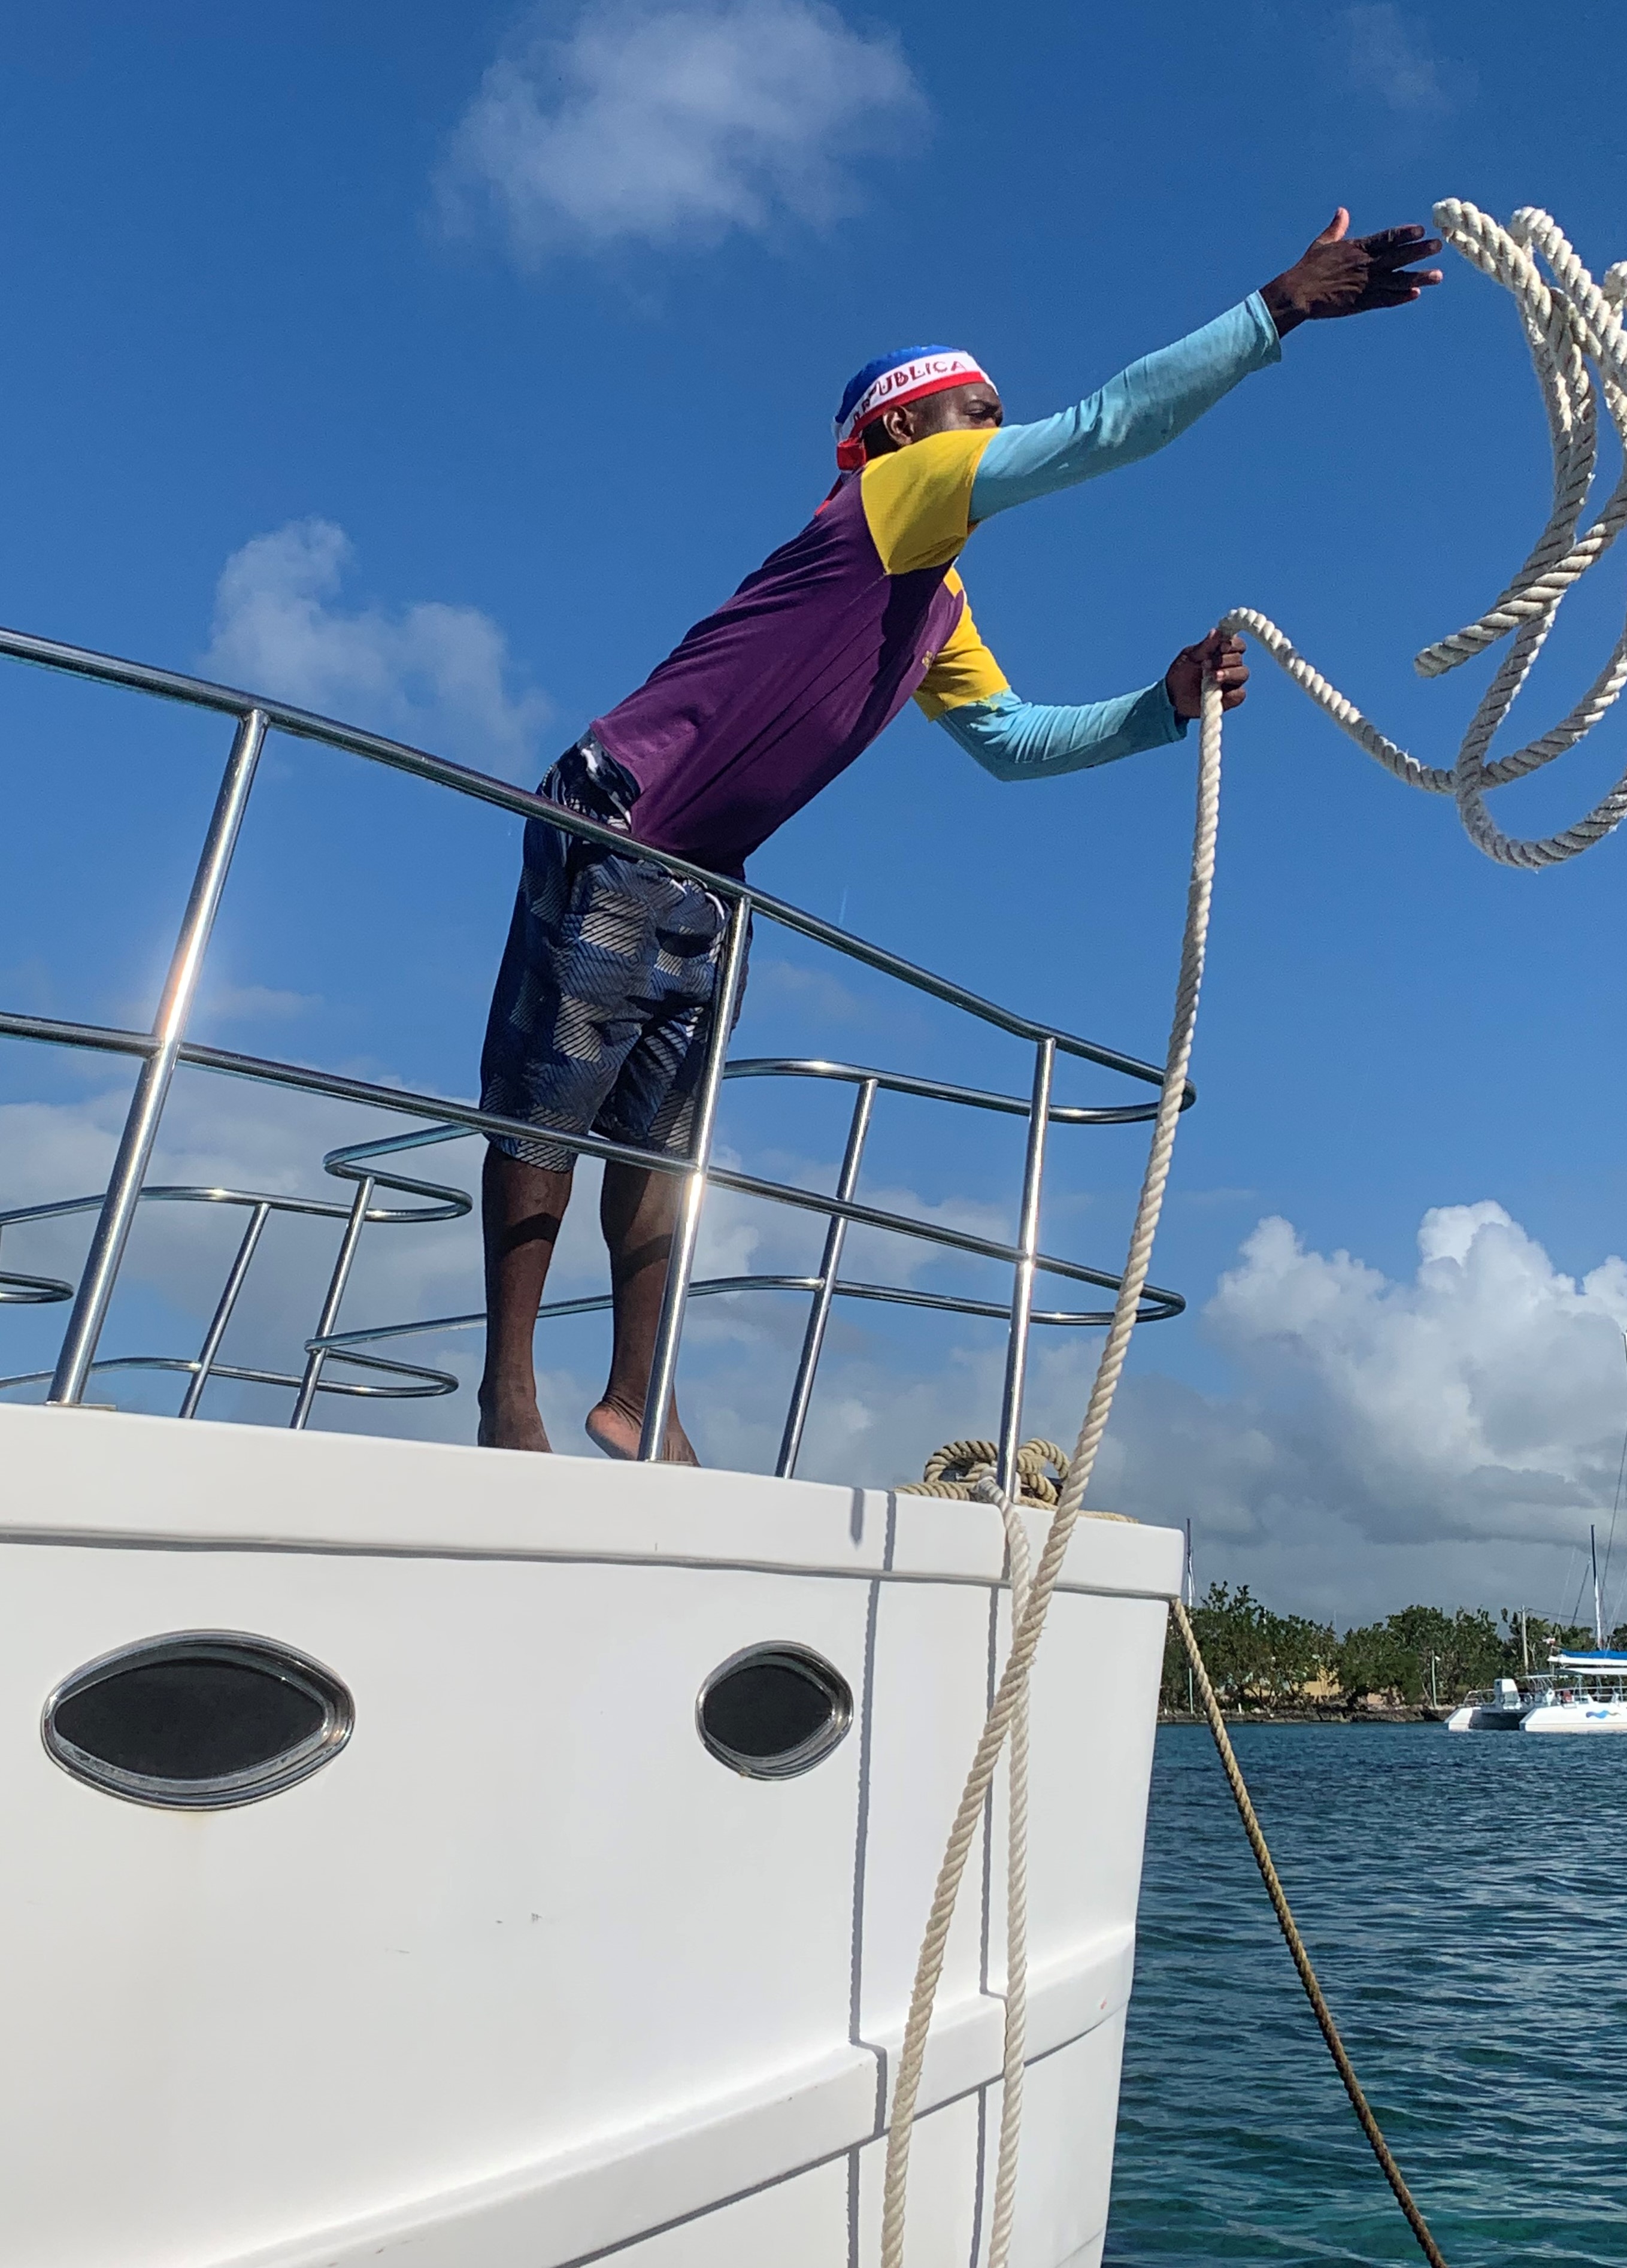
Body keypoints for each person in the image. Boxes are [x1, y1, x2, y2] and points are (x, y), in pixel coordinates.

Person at [476, 208, 1443, 1460]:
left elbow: (1008, 741)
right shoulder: (888, 496)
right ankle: (508, 1395)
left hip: (707, 873)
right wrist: (1274, 310)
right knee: (550, 1103)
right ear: (896, 432)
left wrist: (1160, 708)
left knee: (664, 1138)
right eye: (973, 413)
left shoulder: (936, 598)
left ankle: (636, 1397)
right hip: (617, 810)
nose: (995, 432)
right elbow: (1102, 429)